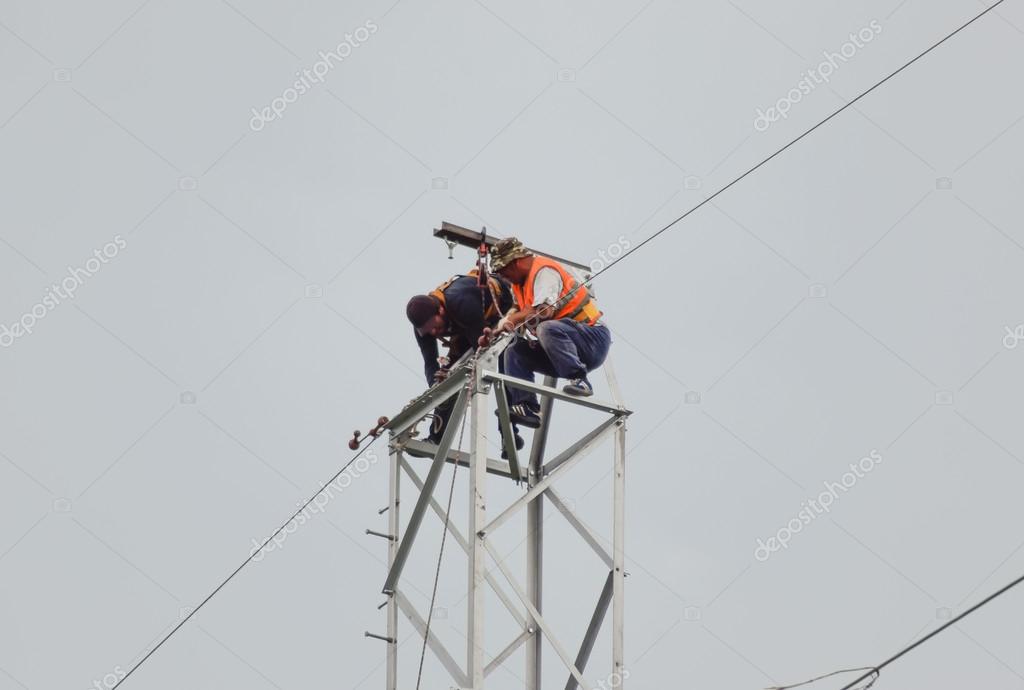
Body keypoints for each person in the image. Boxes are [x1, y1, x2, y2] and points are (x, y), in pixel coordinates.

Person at [488, 237, 612, 429]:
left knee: (546, 327)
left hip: (592, 340)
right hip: (562, 348)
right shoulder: (519, 284)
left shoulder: (544, 272)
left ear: (517, 262)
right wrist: (498, 328)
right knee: (515, 351)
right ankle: (527, 407)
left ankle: (580, 380)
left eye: (504, 272)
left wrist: (511, 320)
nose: (504, 278)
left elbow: (544, 312)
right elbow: (517, 309)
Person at [406, 269, 513, 442]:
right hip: (466, 325)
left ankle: (509, 425)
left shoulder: (461, 301)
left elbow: (482, 350)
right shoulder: (423, 330)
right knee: (446, 378)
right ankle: (436, 437)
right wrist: (437, 386)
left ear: (440, 310)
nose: (433, 332)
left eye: (435, 327)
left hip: (499, 304)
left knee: (496, 357)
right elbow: (430, 363)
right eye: (428, 331)